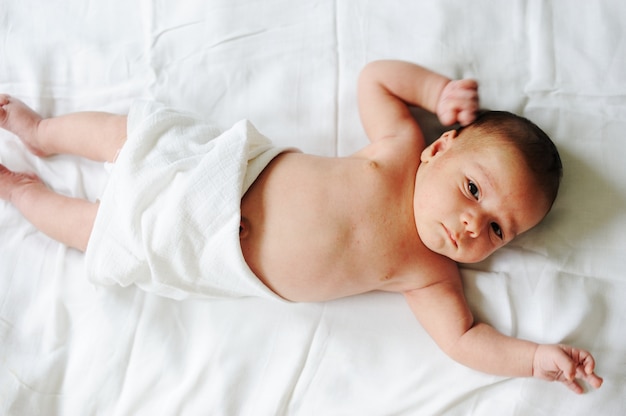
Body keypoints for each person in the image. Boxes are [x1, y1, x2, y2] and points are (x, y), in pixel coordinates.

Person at [0, 60, 602, 393]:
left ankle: (20, 191)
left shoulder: (430, 276)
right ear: (439, 149)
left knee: (94, 231)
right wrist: (435, 89)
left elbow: (465, 341)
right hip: (217, 170)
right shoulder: (398, 148)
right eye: (474, 191)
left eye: (498, 230)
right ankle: (42, 134)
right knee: (124, 136)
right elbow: (375, 79)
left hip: (201, 252)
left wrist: (534, 360)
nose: (473, 224)